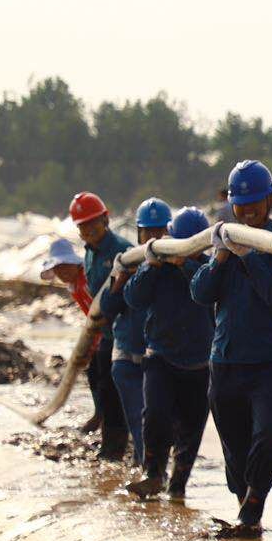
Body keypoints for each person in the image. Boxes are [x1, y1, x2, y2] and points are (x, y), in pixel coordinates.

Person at [191, 159, 272, 538]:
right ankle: (245, 508)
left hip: (271, 361)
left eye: (255, 201)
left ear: (270, 199)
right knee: (234, 449)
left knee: (267, 439)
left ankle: (253, 505)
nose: (248, 209)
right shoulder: (226, 242)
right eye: (241, 203)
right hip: (226, 361)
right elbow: (201, 293)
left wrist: (248, 256)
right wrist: (221, 257)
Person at [124, 206, 216, 500]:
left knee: (191, 427)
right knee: (155, 415)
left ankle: (178, 484)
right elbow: (133, 297)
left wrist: (185, 264)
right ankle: (152, 472)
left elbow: (207, 291)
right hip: (161, 354)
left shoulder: (208, 268)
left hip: (200, 361)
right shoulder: (157, 268)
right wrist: (152, 265)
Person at [101, 198, 169, 471]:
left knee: (158, 420)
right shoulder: (127, 261)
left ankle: (154, 471)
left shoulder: (178, 263)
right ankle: (150, 475)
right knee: (139, 418)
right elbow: (106, 308)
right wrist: (118, 283)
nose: (153, 237)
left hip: (160, 357)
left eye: (159, 231)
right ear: (139, 232)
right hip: (128, 354)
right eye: (147, 231)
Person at [71, 191, 132, 462]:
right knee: (103, 385)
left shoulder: (122, 250)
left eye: (92, 223)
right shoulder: (88, 254)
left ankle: (119, 448)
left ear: (105, 219)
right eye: (82, 226)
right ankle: (111, 447)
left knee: (118, 390)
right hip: (105, 332)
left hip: (126, 331)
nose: (88, 230)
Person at [40, 238, 92, 312]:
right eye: (57, 268)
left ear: (75, 264)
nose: (62, 272)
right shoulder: (73, 286)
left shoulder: (87, 279)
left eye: (65, 266)